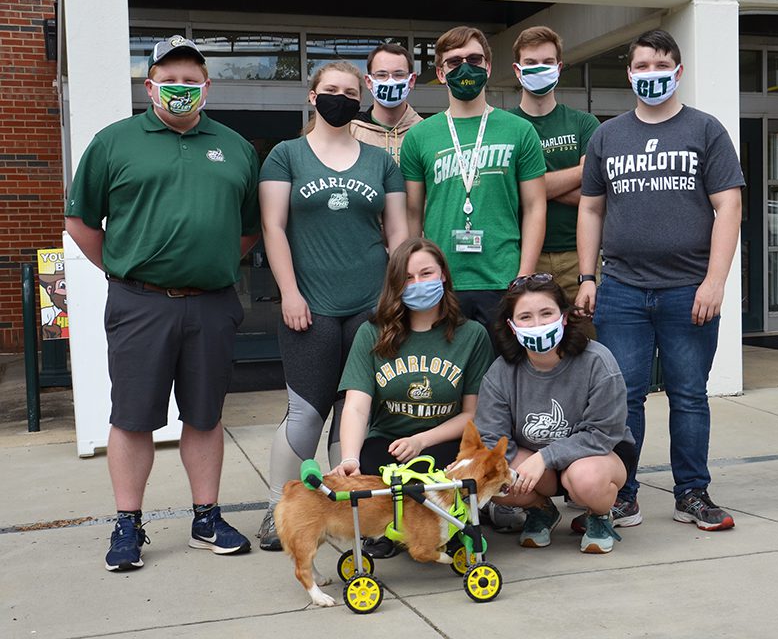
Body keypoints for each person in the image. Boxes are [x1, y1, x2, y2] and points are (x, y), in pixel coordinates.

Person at [65, 35, 260, 571]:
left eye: (191, 80)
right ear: (149, 85)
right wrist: (126, 268)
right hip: (140, 302)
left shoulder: (237, 148)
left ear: (207, 86)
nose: (180, 88)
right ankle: (128, 524)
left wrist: (206, 263)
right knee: (132, 418)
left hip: (213, 303)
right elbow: (81, 222)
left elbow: (247, 231)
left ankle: (206, 518)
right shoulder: (114, 143)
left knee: (205, 414)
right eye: (169, 79)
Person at [576, 29, 744, 532]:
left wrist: (715, 281)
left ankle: (691, 491)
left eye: (661, 65)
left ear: (678, 70)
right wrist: (589, 276)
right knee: (623, 396)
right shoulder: (608, 135)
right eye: (642, 66)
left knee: (689, 395)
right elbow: (590, 208)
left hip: (688, 289)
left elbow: (729, 205)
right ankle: (621, 494)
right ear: (629, 73)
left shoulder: (705, 130)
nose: (651, 74)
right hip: (622, 289)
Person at [257, 61, 409, 551]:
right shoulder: (286, 155)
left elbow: (399, 235)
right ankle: (282, 509)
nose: (339, 97)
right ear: (312, 96)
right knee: (305, 413)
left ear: (360, 97)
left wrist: (398, 297)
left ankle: (351, 511)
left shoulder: (382, 162)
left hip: (369, 306)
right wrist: (290, 292)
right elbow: (273, 227)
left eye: (349, 91)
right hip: (310, 306)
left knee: (354, 411)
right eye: (330, 90)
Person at [329, 237, 494, 556]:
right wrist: (349, 459)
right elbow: (357, 405)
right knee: (371, 466)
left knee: (455, 473)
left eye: (426, 273)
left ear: (444, 275)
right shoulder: (372, 333)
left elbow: (472, 413)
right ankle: (389, 531)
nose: (417, 284)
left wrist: (421, 440)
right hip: (388, 441)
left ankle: (451, 527)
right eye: (407, 278)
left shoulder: (472, 335)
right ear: (395, 285)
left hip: (445, 441)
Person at [401, 26, 547, 346]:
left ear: (488, 67)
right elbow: (412, 213)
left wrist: (524, 275)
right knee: (448, 386)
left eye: (474, 59)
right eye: (454, 62)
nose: (465, 68)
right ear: (440, 73)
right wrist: (415, 278)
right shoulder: (419, 137)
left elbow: (536, 205)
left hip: (503, 279)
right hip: (442, 283)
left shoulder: (520, 131)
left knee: (504, 382)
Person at [475, 274, 635, 554]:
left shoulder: (598, 361)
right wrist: (525, 466)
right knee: (496, 477)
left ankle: (599, 515)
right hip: (536, 461)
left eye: (546, 313)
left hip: (598, 455)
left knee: (586, 478)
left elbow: (603, 433)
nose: (537, 324)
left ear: (563, 317)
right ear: (512, 327)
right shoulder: (500, 373)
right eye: (525, 317)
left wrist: (545, 457)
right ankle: (541, 510)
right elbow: (492, 438)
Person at [509, 26, 600, 328]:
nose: (539, 69)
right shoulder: (505, 126)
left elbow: (594, 187)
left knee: (588, 346)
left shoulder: (584, 123)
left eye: (547, 62)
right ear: (517, 70)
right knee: (532, 347)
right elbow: (506, 191)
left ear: (559, 67)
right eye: (531, 63)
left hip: (580, 258)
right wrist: (573, 178)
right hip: (524, 258)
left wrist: (531, 185)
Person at [350, 43, 423, 164]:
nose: (390, 81)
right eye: (381, 75)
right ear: (368, 81)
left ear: (411, 80)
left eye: (399, 74)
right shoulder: (351, 132)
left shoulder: (425, 132)